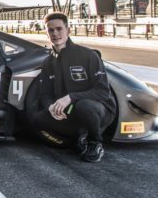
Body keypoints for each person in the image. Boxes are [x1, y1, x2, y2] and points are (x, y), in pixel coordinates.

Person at [32, 12, 116, 162]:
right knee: (37, 119)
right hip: (69, 112)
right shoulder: (48, 62)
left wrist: (70, 97)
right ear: (46, 33)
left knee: (84, 106)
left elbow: (103, 92)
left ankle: (95, 143)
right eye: (51, 30)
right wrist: (51, 107)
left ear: (68, 30)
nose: (55, 33)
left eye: (59, 29)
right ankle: (78, 138)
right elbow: (45, 94)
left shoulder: (88, 55)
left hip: (98, 109)